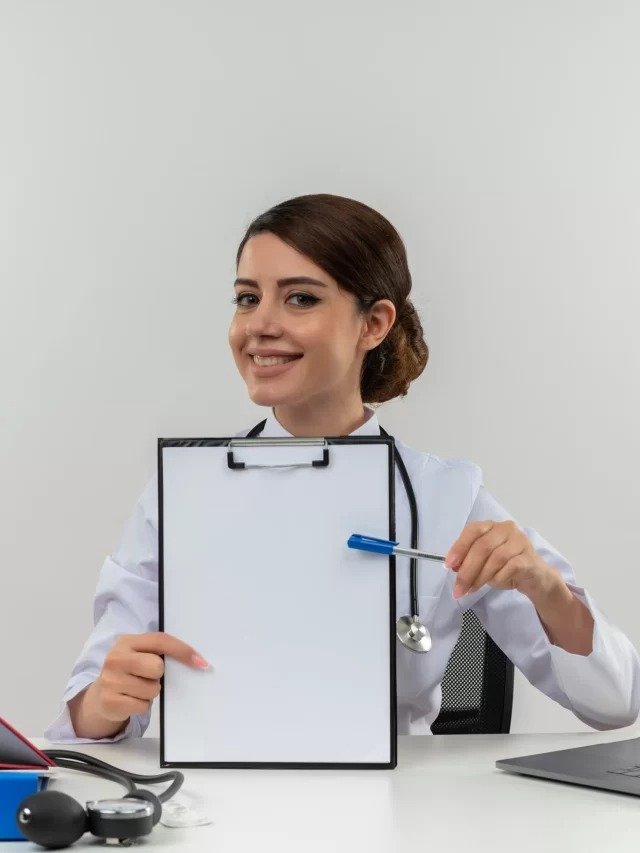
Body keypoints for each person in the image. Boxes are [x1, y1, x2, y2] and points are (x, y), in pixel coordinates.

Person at [45, 193, 640, 742]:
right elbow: (86, 721)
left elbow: (614, 704)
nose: (260, 325)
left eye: (300, 297)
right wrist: (104, 702)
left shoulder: (444, 495)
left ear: (374, 324)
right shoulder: (184, 489)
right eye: (248, 298)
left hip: (387, 813)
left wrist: (547, 590)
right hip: (212, 806)